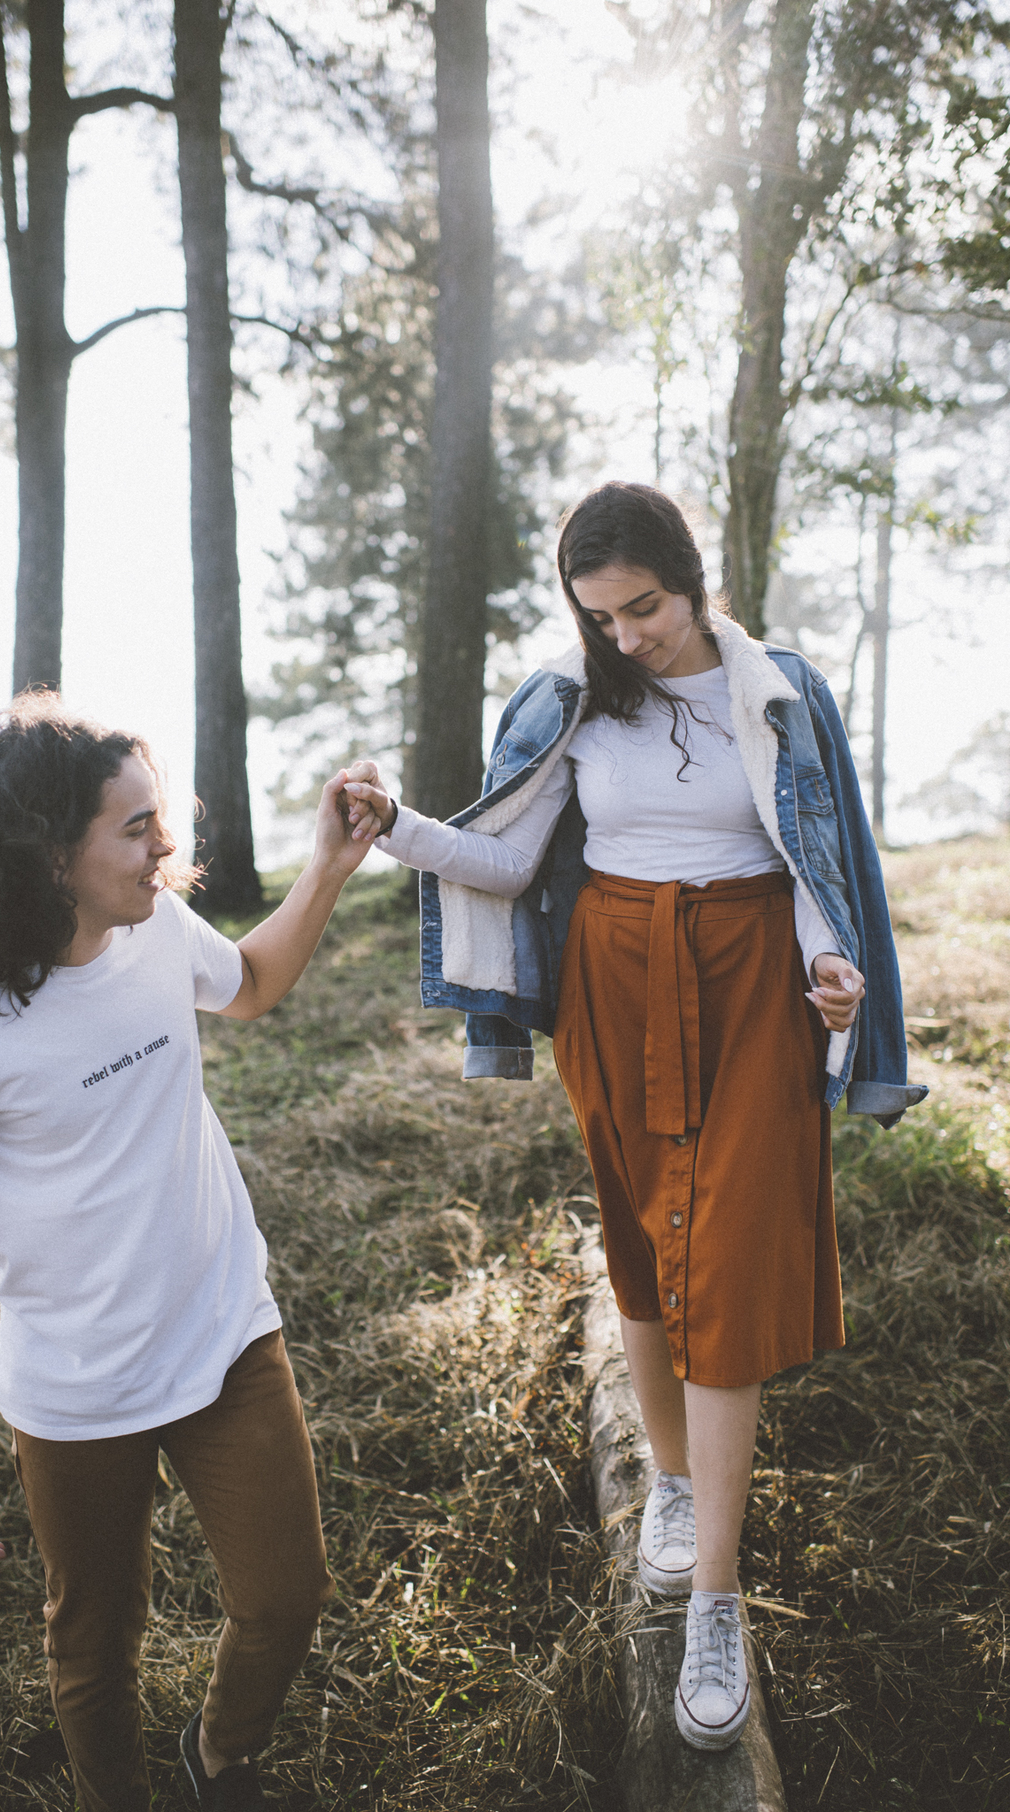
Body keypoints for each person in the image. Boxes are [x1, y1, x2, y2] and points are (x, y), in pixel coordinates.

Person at [342, 481, 925, 1754]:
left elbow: (829, 864)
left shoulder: (780, 692)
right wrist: (399, 830)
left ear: (691, 580)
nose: (625, 637)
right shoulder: (569, 698)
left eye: (643, 609)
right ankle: (666, 1481)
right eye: (599, 616)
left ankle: (716, 1597)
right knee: (646, 1249)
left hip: (753, 981)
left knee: (728, 1264)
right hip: (614, 977)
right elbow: (507, 858)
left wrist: (841, 983)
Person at [0, 695, 377, 1812]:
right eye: (136, 827)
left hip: (222, 1329)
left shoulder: (152, 930)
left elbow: (248, 986)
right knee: (96, 1643)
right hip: (73, 1388)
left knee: (285, 1600)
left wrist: (330, 871)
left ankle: (219, 1761)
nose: (167, 848)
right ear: (52, 856)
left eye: (162, 820)